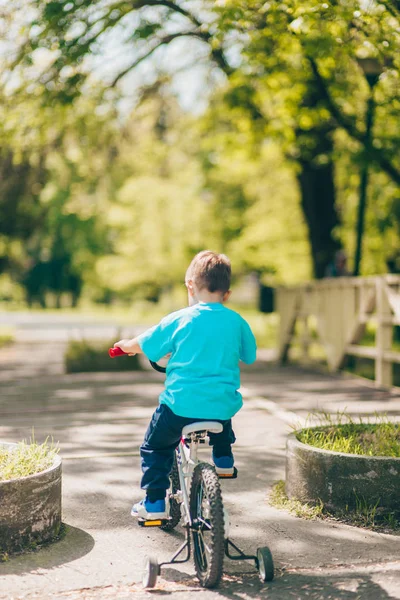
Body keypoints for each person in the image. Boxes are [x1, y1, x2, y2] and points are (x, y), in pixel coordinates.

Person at [114, 250, 257, 520]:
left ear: (190, 286)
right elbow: (249, 356)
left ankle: (155, 503)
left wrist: (127, 347)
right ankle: (224, 459)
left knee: (154, 447)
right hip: (221, 408)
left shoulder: (179, 319)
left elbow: (144, 342)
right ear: (227, 294)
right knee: (220, 406)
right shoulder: (237, 321)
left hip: (179, 408)